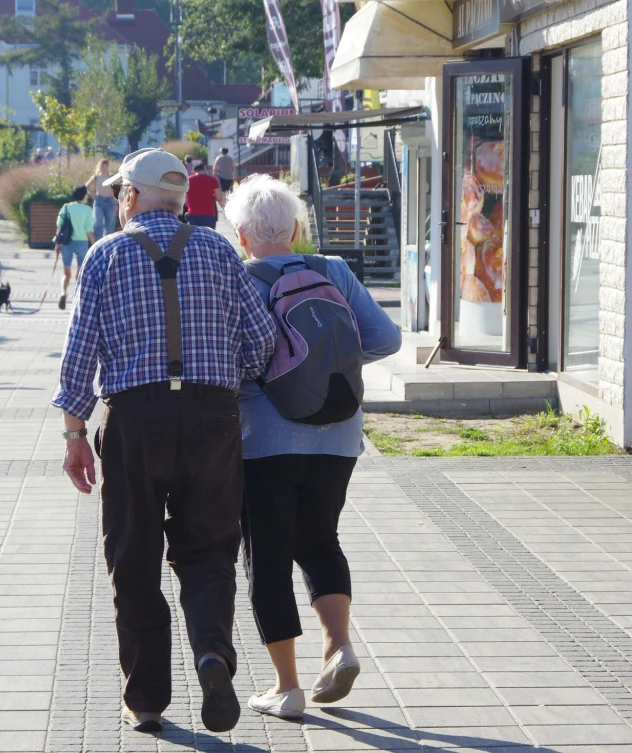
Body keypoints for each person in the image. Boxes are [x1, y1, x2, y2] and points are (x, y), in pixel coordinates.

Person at [51, 148, 276, 735]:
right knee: (209, 549)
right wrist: (224, 379)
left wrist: (74, 434)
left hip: (135, 419)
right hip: (212, 416)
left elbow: (79, 358)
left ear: (130, 196)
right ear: (178, 200)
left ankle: (147, 698)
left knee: (133, 555)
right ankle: (211, 652)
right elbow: (261, 341)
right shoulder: (219, 250)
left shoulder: (105, 255)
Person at [224, 175, 401, 720]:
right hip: (338, 434)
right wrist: (326, 369)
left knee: (268, 557)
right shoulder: (334, 270)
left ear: (241, 235)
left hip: (264, 439)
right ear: (297, 227)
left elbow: (232, 358)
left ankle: (287, 687)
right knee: (320, 540)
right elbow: (387, 339)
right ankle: (339, 647)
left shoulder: (237, 278)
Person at [55, 185, 96, 310]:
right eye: (87, 193)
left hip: (66, 243)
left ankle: (63, 293)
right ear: (83, 195)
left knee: (66, 274)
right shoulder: (87, 209)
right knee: (79, 275)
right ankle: (78, 298)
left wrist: (57, 243)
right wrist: (94, 244)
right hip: (81, 243)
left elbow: (59, 225)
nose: (88, 195)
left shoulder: (66, 207)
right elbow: (88, 229)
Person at [86, 158, 118, 241]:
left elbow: (116, 190)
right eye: (102, 166)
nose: (104, 168)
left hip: (110, 202)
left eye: (106, 166)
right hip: (99, 201)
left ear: (108, 167)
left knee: (109, 226)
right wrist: (90, 194)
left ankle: (107, 243)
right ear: (99, 167)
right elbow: (86, 186)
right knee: (98, 223)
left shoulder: (111, 177)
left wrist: (116, 204)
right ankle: (96, 242)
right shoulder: (96, 177)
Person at [186, 162, 225, 229]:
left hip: (193, 215)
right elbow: (219, 198)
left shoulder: (188, 180)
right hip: (209, 214)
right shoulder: (212, 180)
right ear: (204, 169)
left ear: (194, 170)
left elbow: (184, 196)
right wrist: (224, 209)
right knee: (209, 234)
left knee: (193, 234)